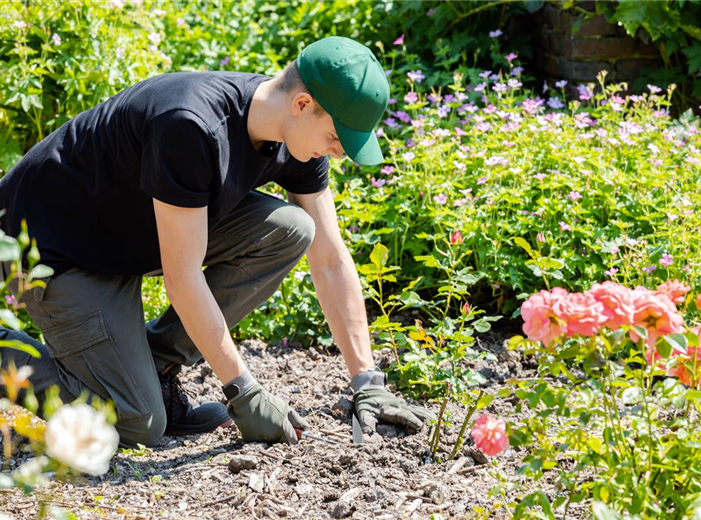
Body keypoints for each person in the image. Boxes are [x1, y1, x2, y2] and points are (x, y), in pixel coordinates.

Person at [0, 36, 433, 447]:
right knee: (137, 422)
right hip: (47, 246)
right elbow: (183, 275)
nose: (339, 153)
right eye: (337, 138)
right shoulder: (191, 126)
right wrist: (243, 390)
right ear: (303, 104)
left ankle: (154, 365)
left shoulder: (296, 141)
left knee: (293, 228)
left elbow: (331, 258)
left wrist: (367, 381)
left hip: (120, 237)